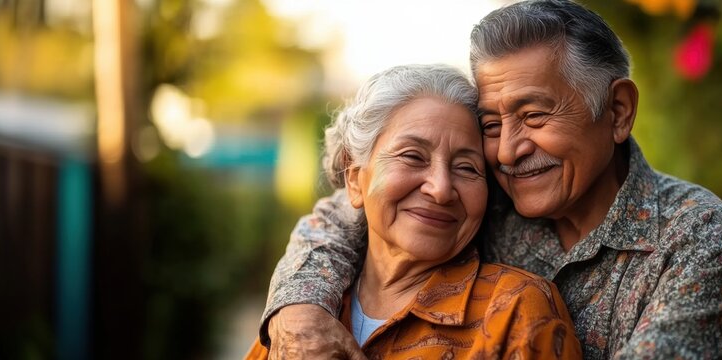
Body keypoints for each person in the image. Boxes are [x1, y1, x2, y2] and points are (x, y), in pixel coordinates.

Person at [260, 1, 722, 359]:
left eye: (535, 115)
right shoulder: (482, 191)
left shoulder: (701, 240)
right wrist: (300, 306)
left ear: (618, 111)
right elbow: (345, 211)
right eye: (492, 125)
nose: (508, 149)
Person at [246, 64, 582, 359]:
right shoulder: (296, 320)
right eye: (412, 156)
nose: (441, 188)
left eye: (466, 167)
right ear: (355, 180)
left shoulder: (516, 311)